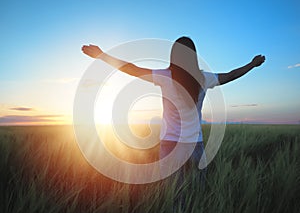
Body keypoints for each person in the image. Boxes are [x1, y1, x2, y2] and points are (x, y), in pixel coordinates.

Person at [82, 36, 265, 187]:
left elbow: (132, 69)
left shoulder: (164, 76)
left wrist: (102, 55)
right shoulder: (203, 78)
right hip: (195, 143)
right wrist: (251, 64)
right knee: (198, 188)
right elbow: (231, 75)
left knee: (173, 192)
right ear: (193, 56)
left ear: (173, 56)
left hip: (170, 144)